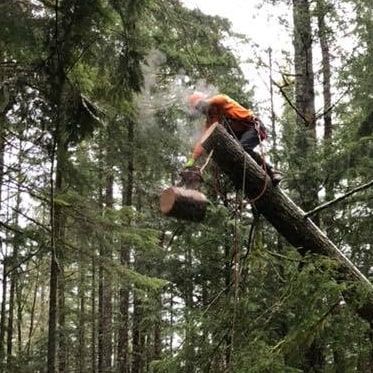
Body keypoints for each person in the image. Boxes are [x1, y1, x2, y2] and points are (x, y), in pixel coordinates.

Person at [185, 92, 282, 186]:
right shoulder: (212, 119)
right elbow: (203, 141)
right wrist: (192, 159)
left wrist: (200, 102)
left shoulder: (221, 100)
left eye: (202, 107)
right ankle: (261, 177)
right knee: (235, 155)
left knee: (242, 149)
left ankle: (271, 170)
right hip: (242, 134)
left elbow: (214, 100)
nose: (204, 111)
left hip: (253, 126)